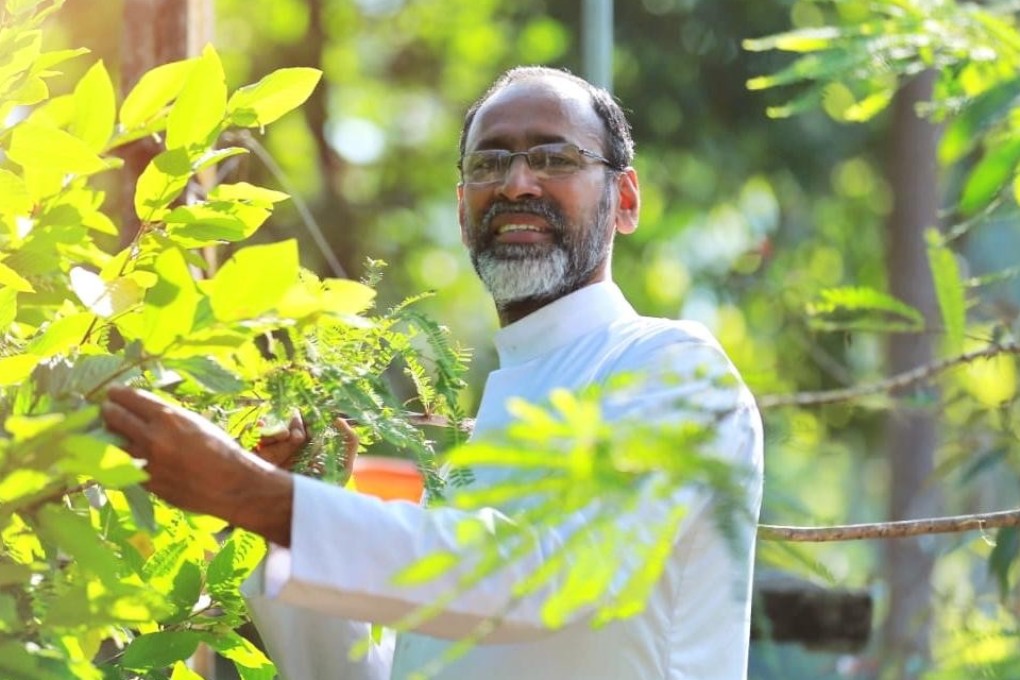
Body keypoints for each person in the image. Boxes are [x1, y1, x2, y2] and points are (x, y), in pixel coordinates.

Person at [101, 66, 764, 679]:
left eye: (554, 157)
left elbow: (552, 577)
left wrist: (255, 496)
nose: (516, 183)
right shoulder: (486, 434)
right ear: (460, 207)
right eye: (489, 162)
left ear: (624, 199)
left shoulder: (674, 370)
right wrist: (289, 509)